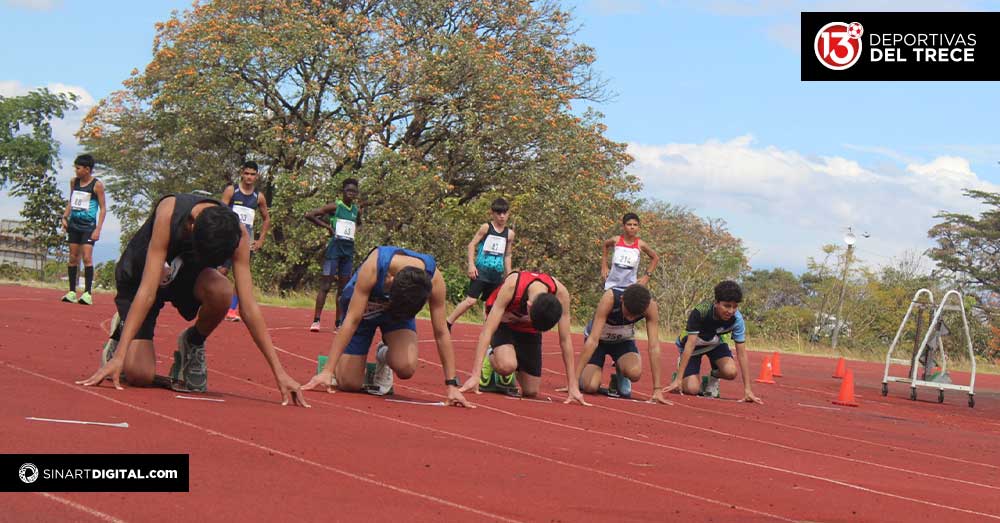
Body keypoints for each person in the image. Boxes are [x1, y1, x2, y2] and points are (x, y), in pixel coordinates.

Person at [76, 193, 309, 407]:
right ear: (192, 225)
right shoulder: (169, 213)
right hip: (142, 278)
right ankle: (122, 330)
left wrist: (280, 372)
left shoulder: (237, 234)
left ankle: (193, 342)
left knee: (222, 291)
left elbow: (248, 307)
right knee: (139, 375)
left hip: (184, 277)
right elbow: (147, 292)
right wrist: (119, 358)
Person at [301, 246, 470, 408]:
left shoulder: (434, 280)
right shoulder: (374, 267)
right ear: (390, 278)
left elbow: (441, 332)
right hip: (363, 311)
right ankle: (338, 363)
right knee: (349, 383)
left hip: (397, 314)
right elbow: (351, 320)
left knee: (406, 368)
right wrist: (327, 370)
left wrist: (452, 385)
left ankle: (384, 354)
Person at [459, 270, 589, 405]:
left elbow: (565, 340)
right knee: (507, 366)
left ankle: (510, 357)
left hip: (528, 331)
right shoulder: (512, 286)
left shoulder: (561, 293)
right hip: (504, 323)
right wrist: (475, 375)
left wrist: (573, 385)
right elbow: (487, 331)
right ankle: (492, 357)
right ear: (529, 305)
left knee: (531, 391)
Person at [664, 280, 762, 404]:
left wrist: (748, 390)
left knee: (731, 372)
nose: (731, 311)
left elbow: (742, 354)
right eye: (727, 306)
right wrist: (678, 380)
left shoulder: (737, 319)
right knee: (692, 389)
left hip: (715, 344)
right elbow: (690, 345)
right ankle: (679, 377)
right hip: (693, 347)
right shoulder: (701, 312)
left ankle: (712, 377)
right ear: (716, 303)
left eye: (735, 306)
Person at [576, 284, 669, 404]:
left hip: (623, 342)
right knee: (590, 387)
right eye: (628, 312)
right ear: (622, 300)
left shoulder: (650, 306)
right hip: (599, 341)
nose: (630, 318)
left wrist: (657, 389)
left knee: (635, 373)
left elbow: (654, 347)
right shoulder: (610, 298)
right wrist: (574, 381)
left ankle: (620, 374)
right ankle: (583, 376)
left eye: (635, 316)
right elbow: (593, 340)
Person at [446, 198, 514, 331]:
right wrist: (471, 265)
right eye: (499, 213)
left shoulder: (510, 234)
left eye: (504, 213)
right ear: (492, 213)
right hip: (481, 271)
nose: (502, 216)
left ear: (508, 214)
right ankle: (448, 322)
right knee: (471, 301)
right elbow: (471, 244)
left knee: (491, 305)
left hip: (496, 274)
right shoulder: (486, 227)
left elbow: (507, 255)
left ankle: (488, 335)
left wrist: (509, 274)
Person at [305, 178, 361, 332]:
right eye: (348, 191)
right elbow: (309, 215)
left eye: (354, 192)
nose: (351, 194)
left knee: (343, 289)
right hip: (334, 251)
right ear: (342, 192)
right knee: (326, 285)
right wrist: (328, 226)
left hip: (348, 252)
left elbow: (358, 223)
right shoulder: (336, 206)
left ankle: (339, 323)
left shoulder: (356, 210)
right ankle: (316, 320)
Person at [218, 161, 270, 322]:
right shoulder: (231, 191)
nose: (249, 177)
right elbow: (219, 212)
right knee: (221, 272)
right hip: (228, 238)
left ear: (257, 176)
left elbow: (266, 218)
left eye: (252, 174)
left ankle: (232, 310)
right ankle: (211, 301)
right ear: (242, 173)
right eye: (246, 173)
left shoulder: (258, 197)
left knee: (241, 277)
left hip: (246, 242)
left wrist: (261, 240)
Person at [60, 154, 106, 305]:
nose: (76, 170)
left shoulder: (97, 185)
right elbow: (71, 201)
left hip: (88, 226)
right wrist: (64, 217)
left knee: (87, 257)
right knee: (73, 258)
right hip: (74, 224)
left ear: (87, 169)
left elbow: (103, 208)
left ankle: (87, 293)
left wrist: (98, 229)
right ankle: (72, 291)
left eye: (78, 168)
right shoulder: (74, 182)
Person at [600, 213, 659, 290]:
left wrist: (647, 276)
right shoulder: (616, 240)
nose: (632, 227)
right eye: (629, 224)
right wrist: (604, 266)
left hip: (630, 288)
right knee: (604, 302)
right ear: (624, 226)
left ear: (638, 227)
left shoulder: (640, 244)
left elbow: (655, 258)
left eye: (635, 225)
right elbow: (605, 244)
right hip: (612, 286)